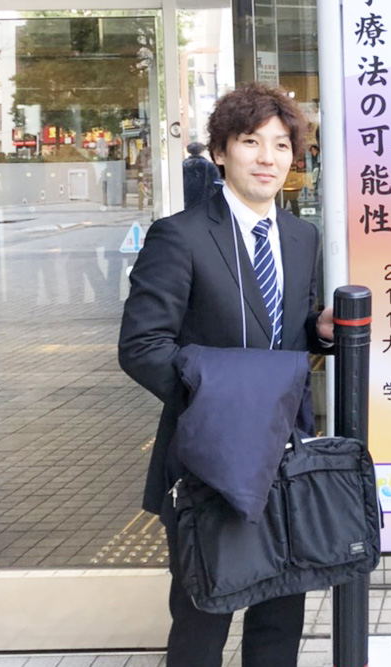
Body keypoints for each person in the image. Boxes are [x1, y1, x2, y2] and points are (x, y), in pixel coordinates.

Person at [118, 82, 334, 667]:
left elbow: (284, 330)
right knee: (202, 614)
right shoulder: (180, 235)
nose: (268, 158)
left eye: (282, 145)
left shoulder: (301, 236)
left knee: (281, 612)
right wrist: (221, 406)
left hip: (285, 453)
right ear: (219, 152)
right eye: (250, 142)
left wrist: (320, 330)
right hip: (206, 455)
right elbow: (141, 346)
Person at [182, 141, 221, 209]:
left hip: (187, 201)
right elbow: (216, 183)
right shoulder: (209, 165)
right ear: (202, 151)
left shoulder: (183, 165)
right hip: (205, 201)